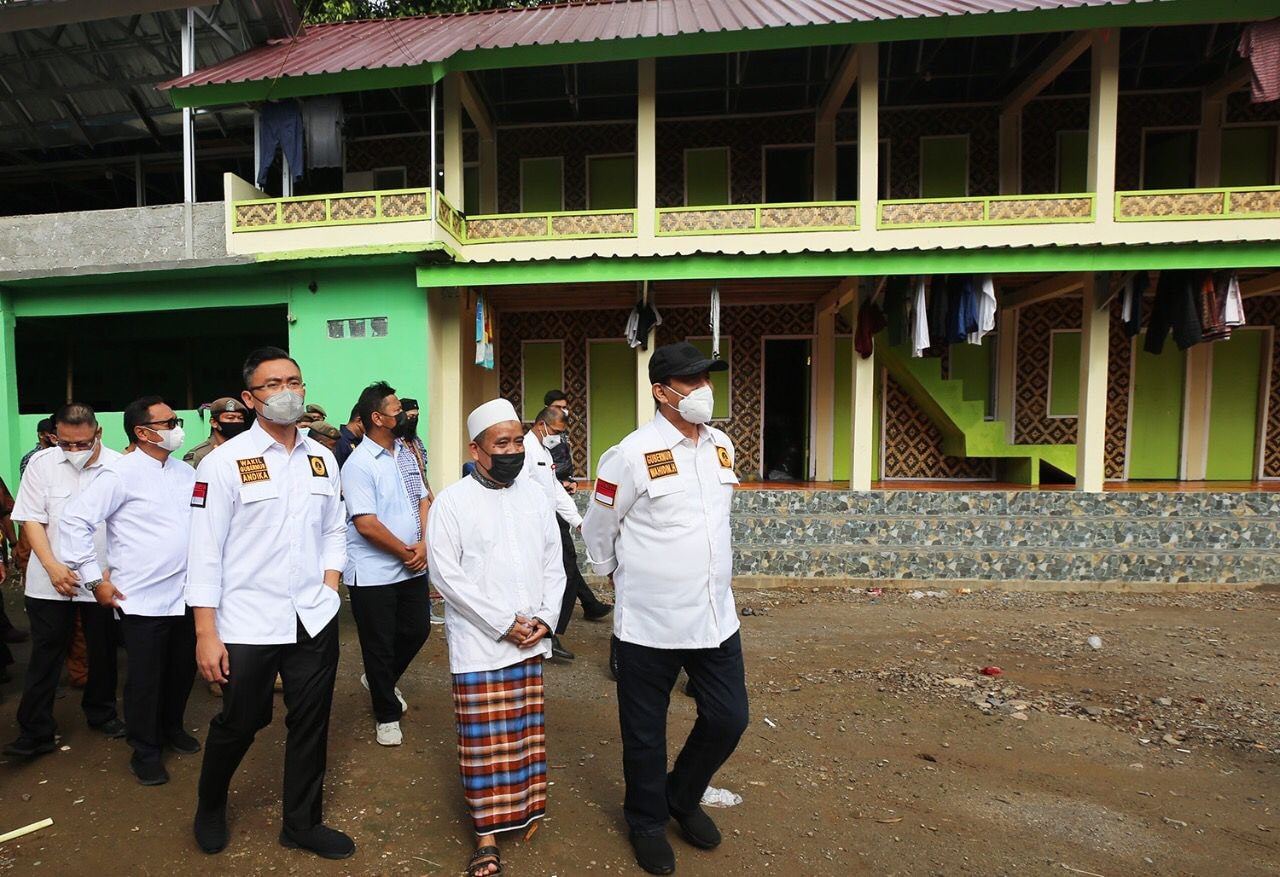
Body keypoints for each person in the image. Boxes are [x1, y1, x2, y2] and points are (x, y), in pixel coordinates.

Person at [581, 342, 749, 876]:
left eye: (706, 379)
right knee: (645, 732)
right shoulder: (629, 454)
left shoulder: (720, 445)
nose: (704, 390)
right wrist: (617, 576)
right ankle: (648, 822)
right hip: (650, 622)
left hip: (716, 615)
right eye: (692, 381)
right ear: (661, 391)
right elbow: (598, 528)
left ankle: (682, 794)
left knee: (728, 717)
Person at [187, 346, 351, 860]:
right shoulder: (223, 463)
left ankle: (301, 824)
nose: (287, 392)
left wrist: (328, 587)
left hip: (312, 617)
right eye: (273, 385)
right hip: (247, 622)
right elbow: (204, 551)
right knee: (242, 721)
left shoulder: (322, 457)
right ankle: (210, 805)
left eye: (294, 382)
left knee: (311, 721)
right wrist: (205, 633)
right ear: (250, 398)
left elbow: (334, 530)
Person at [427, 398, 566, 877]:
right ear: (477, 448)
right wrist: (504, 622)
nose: (512, 450)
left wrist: (546, 618)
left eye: (516, 440)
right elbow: (446, 575)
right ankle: (486, 836)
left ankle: (525, 810)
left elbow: (554, 562)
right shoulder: (452, 501)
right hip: (482, 642)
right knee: (484, 744)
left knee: (524, 734)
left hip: (531, 637)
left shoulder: (535, 496)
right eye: (500, 443)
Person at [59, 397, 198, 786]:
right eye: (170, 422)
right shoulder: (119, 475)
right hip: (140, 597)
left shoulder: (185, 473)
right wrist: (93, 579)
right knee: (145, 678)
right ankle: (145, 750)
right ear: (143, 432)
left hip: (187, 593)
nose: (177, 427)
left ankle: (172, 728)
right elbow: (75, 522)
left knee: (180, 669)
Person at [2, 404, 124, 758]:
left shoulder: (118, 467)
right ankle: (36, 729)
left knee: (102, 650)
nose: (73, 451)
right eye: (65, 443)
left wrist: (109, 570)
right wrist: (53, 566)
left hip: (99, 575)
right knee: (45, 653)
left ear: (97, 433)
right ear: (55, 435)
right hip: (48, 577)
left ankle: (101, 713)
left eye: (81, 443)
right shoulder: (42, 464)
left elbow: (123, 524)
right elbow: (31, 520)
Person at [343, 382, 431, 747]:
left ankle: (379, 679)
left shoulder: (407, 452)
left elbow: (425, 498)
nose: (405, 415)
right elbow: (366, 524)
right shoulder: (358, 464)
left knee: (417, 629)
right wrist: (406, 552)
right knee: (378, 644)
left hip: (414, 561)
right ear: (377, 418)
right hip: (374, 571)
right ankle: (386, 714)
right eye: (397, 410)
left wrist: (425, 543)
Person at [524, 407, 611, 662]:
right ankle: (547, 634)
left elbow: (555, 490)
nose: (559, 438)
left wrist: (579, 522)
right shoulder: (527, 449)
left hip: (552, 523)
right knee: (562, 575)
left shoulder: (544, 449)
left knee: (563, 576)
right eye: (557, 432)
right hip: (535, 526)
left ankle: (549, 633)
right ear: (542, 425)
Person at [185, 398, 251, 468]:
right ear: (214, 422)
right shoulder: (199, 455)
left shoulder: (247, 450)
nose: (236, 421)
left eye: (240, 418)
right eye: (230, 418)